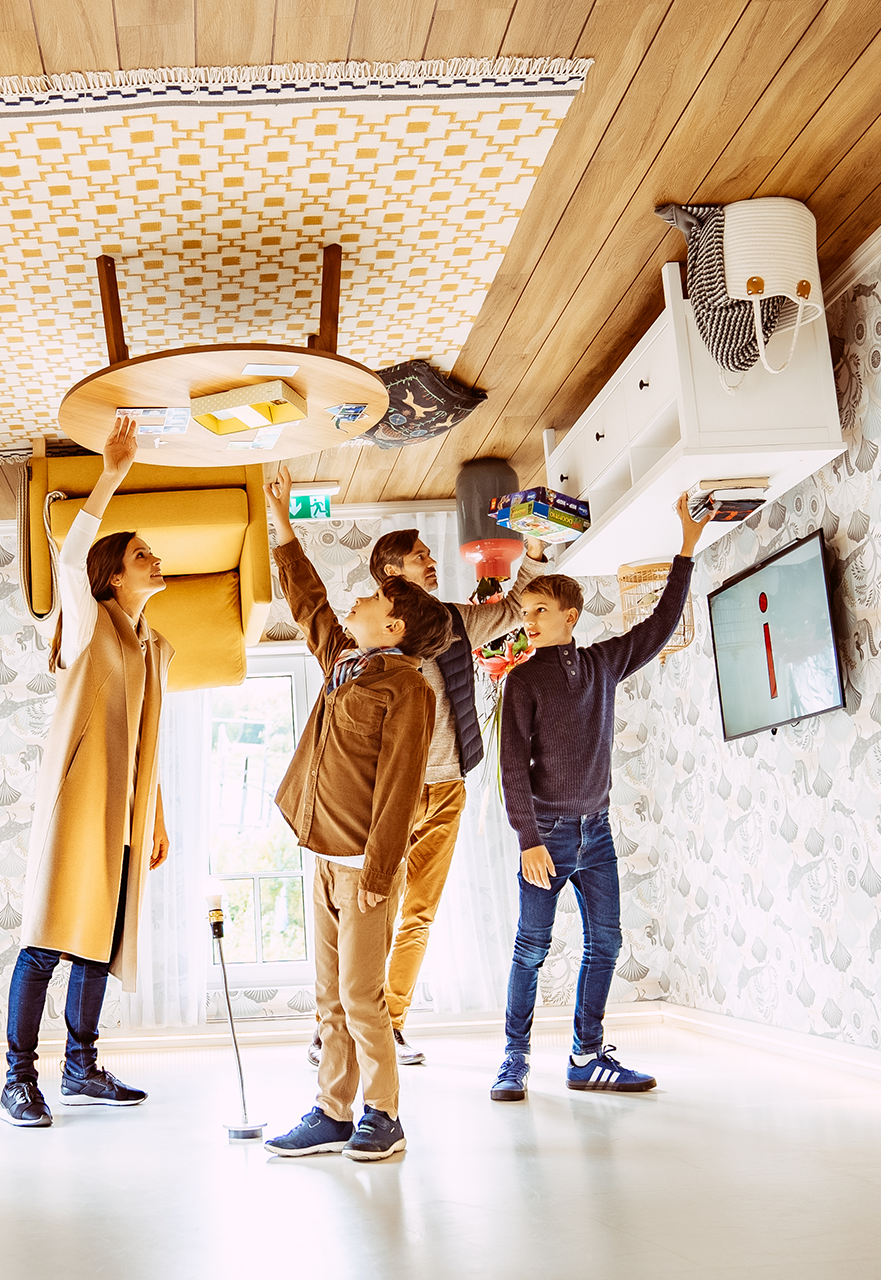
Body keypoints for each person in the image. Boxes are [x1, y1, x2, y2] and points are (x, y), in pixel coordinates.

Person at [489, 495, 714, 1102]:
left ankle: (587, 1056)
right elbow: (512, 770)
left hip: (599, 835)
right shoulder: (521, 679)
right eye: (526, 610)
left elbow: (661, 624)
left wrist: (686, 547)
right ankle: (513, 1061)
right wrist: (529, 841)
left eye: (540, 609)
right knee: (531, 948)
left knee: (606, 943)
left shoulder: (605, 663)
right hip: (549, 837)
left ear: (570, 615)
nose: (528, 619)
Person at [260, 464, 453, 1162]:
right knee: (331, 1000)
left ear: (393, 624)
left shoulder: (408, 687)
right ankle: (331, 1111)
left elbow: (401, 790)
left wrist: (378, 872)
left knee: (362, 996)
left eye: (372, 598)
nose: (359, 602)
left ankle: (384, 1114)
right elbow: (309, 603)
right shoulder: (348, 663)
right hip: (325, 862)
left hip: (366, 871)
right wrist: (283, 522)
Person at [306, 526, 551, 1069]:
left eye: (430, 554)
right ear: (391, 575)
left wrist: (534, 551)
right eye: (420, 557)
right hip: (390, 796)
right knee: (377, 908)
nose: (432, 561)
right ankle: (342, 1027)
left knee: (419, 912)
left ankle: (390, 1023)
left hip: (447, 786)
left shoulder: (456, 623)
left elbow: (512, 609)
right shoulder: (366, 642)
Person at [4, 417, 172, 1128]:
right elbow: (68, 562)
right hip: (79, 807)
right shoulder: (87, 622)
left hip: (127, 816)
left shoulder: (155, 645)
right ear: (112, 574)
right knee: (47, 941)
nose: (153, 558)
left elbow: (147, 741)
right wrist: (112, 471)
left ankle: (81, 1067)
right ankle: (18, 1079)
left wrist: (157, 818)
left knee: (98, 948)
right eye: (141, 553)